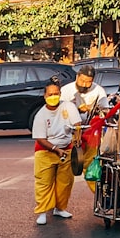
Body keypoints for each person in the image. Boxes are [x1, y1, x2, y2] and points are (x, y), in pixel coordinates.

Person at [31, 80, 80, 225]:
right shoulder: (40, 115)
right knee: (44, 182)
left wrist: (77, 140)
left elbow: (77, 125)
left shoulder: (68, 106)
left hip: (67, 149)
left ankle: (60, 208)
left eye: (56, 94)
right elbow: (40, 138)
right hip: (45, 151)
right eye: (50, 94)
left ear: (60, 94)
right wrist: (55, 149)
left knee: (65, 182)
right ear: (45, 96)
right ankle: (42, 211)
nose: (53, 96)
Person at [61, 66, 108, 192]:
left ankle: (100, 198)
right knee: (66, 170)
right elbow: (60, 113)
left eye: (89, 82)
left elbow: (105, 110)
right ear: (77, 77)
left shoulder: (99, 91)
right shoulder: (66, 91)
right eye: (82, 81)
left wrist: (98, 111)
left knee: (92, 167)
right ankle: (58, 206)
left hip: (90, 134)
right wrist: (76, 110)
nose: (85, 85)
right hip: (70, 134)